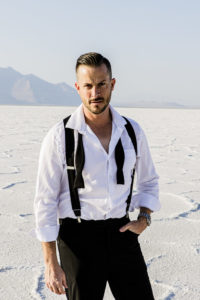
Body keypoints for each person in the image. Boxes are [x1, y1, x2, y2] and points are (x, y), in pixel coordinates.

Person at [33, 52, 160, 300]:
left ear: (112, 84)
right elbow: (45, 200)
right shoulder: (60, 136)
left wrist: (144, 218)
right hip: (77, 239)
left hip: (122, 232)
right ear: (78, 88)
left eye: (101, 84)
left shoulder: (132, 132)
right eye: (88, 86)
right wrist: (50, 262)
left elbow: (149, 181)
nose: (95, 93)